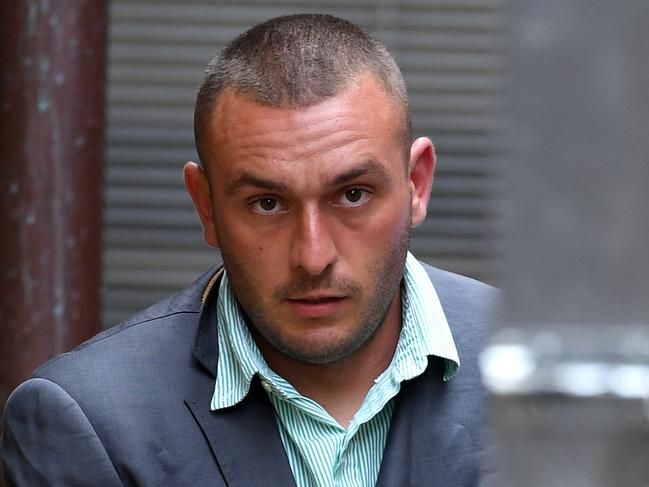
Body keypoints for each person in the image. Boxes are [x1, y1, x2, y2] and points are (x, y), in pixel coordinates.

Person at [1, 13, 498, 486]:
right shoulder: (90, 423)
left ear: (417, 184)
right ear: (207, 206)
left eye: (352, 195)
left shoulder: (535, 370)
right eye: (267, 204)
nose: (312, 255)